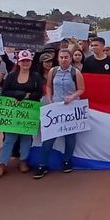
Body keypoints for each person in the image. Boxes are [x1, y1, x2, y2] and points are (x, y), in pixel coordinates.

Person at [35, 49, 85, 179]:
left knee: (70, 136)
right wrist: (50, 98)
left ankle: (67, 161)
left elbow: (81, 89)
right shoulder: (53, 71)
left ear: (70, 58)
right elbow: (49, 86)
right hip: (55, 106)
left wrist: (72, 96)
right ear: (58, 58)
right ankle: (42, 164)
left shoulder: (76, 72)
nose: (64, 60)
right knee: (49, 137)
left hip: (71, 107)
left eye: (66, 57)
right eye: (61, 57)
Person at [0, 50, 44, 178]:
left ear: (31, 62)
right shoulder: (11, 76)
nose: (25, 63)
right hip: (13, 113)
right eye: (23, 61)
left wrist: (28, 96)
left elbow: (39, 92)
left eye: (28, 60)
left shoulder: (36, 76)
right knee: (9, 138)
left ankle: (23, 160)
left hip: (29, 112)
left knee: (26, 137)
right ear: (19, 62)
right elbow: (5, 92)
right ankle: (2, 163)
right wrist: (21, 95)